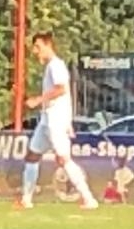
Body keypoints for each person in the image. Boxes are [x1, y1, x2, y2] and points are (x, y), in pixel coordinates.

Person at [18, 32, 99, 211]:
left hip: (55, 120)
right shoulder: (50, 66)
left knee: (64, 159)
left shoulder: (56, 65)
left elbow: (61, 89)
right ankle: (26, 200)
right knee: (32, 156)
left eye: (38, 47)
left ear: (48, 46)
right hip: (47, 120)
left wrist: (38, 100)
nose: (35, 51)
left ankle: (89, 198)